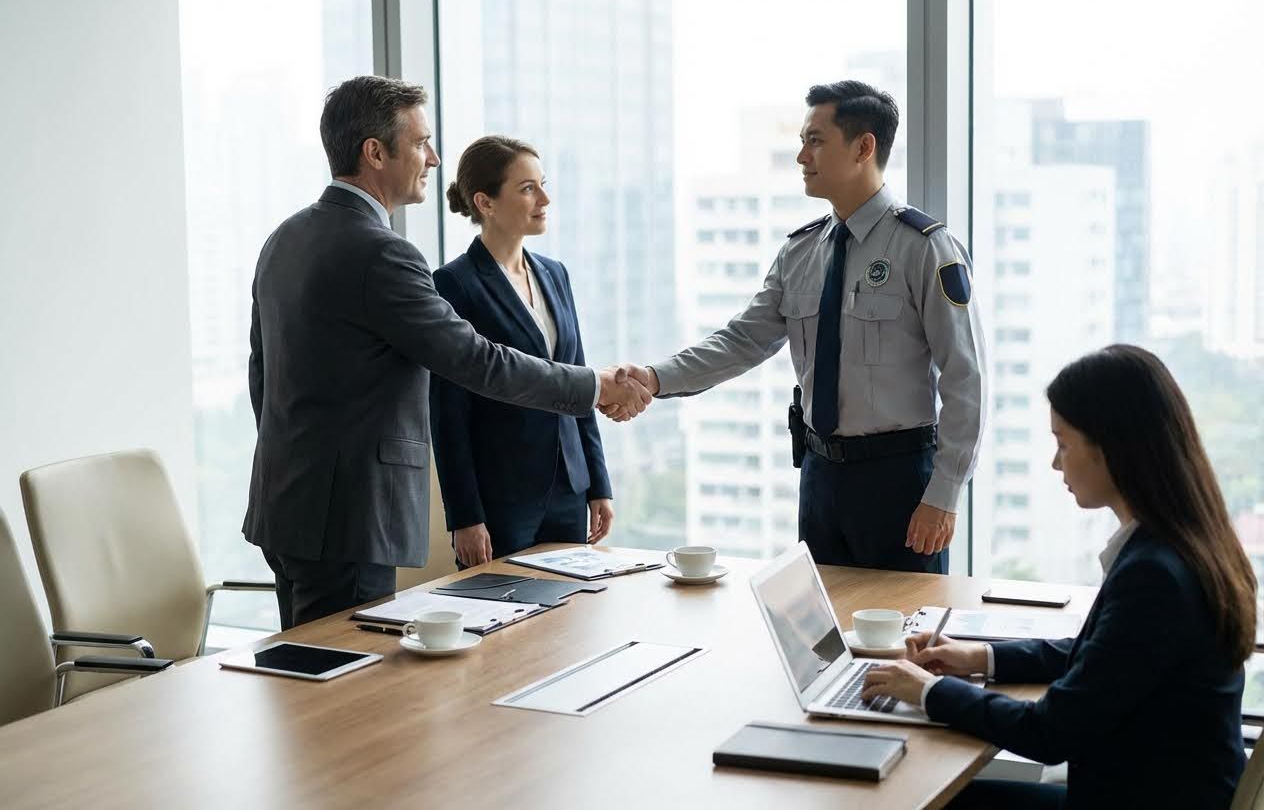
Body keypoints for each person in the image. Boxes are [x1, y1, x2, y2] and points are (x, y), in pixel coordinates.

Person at [242, 76, 650, 629]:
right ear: (375, 153)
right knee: (343, 688)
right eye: (420, 143)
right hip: (352, 517)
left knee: (306, 678)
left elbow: (262, 375)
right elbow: (476, 361)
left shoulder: (285, 238)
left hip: (287, 504)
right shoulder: (383, 253)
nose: (433, 158)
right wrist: (594, 385)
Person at [861, 345, 1254, 808]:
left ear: (1112, 448)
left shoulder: (1155, 575)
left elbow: (1050, 732)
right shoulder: (1186, 542)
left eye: (1063, 443)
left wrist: (928, 691)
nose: (1055, 463)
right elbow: (1104, 655)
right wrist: (980, 657)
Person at [616, 80, 986, 574]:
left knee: (904, 637)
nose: (801, 156)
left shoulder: (924, 247)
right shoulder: (801, 251)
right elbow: (743, 340)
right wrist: (655, 379)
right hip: (819, 477)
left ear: (863, 147)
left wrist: (944, 494)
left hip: (899, 481)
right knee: (821, 635)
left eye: (815, 140)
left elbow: (966, 379)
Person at [431, 136, 614, 567]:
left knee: (569, 621)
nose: (544, 198)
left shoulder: (555, 274)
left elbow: (578, 381)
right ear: (486, 203)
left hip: (569, 488)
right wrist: (465, 517)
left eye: (542, 184)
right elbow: (447, 411)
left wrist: (598, 484)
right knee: (503, 623)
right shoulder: (454, 284)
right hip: (501, 497)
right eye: (528, 188)